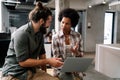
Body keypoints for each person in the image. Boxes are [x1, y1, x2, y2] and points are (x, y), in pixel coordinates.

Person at [1, 1, 63, 80]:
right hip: (14, 73)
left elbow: (42, 55)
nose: (49, 25)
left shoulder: (39, 33)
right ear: (41, 21)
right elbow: (23, 62)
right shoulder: (21, 34)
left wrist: (45, 74)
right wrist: (48, 61)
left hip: (30, 71)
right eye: (49, 22)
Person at [52, 8, 84, 80]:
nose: (63, 25)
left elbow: (81, 56)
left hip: (75, 68)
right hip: (60, 68)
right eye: (62, 22)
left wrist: (76, 52)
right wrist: (68, 68)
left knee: (79, 77)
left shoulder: (78, 36)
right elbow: (56, 59)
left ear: (72, 24)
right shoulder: (55, 37)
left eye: (67, 24)